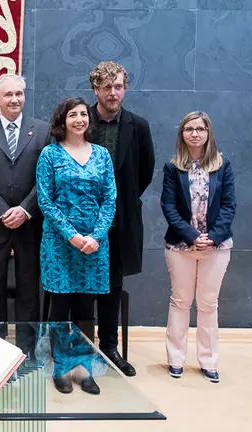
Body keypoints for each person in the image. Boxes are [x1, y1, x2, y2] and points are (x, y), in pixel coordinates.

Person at [36, 97, 116, 393]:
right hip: (60, 243)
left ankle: (85, 368)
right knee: (61, 306)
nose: (80, 119)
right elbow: (45, 200)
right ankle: (61, 366)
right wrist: (71, 235)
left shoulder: (102, 155)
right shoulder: (50, 155)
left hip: (94, 244)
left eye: (84, 114)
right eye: (73, 115)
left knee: (86, 306)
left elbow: (109, 199)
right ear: (63, 121)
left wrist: (95, 236)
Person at [0, 74, 51, 354]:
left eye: (19, 94)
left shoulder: (43, 131)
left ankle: (27, 350)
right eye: (8, 95)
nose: (14, 99)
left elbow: (47, 177)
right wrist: (3, 212)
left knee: (29, 289)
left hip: (30, 225)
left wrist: (26, 210)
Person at [88, 61, 155, 376]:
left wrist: (118, 202)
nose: (113, 93)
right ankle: (80, 345)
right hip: (82, 222)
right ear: (96, 90)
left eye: (118, 86)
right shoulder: (79, 120)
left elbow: (145, 172)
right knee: (81, 284)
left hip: (120, 221)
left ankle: (109, 346)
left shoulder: (138, 126)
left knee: (112, 285)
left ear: (124, 88)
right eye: (107, 87)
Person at [160, 111, 235, 383]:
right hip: (181, 245)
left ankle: (208, 360)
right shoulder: (173, 167)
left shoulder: (221, 165)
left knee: (208, 303)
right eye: (189, 129)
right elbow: (168, 206)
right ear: (182, 133)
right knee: (180, 301)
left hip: (216, 246)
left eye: (200, 129)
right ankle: (176, 359)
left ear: (208, 133)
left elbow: (229, 205)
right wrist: (192, 235)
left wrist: (213, 236)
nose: (195, 133)